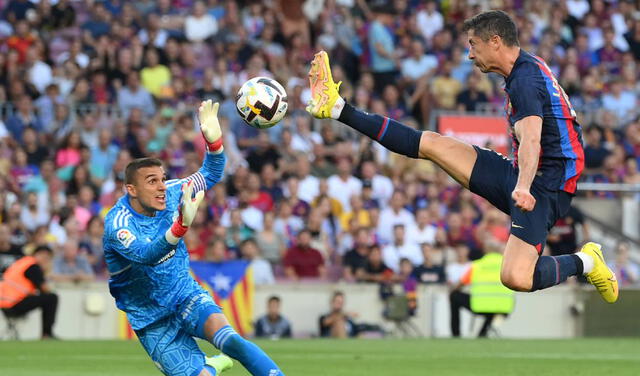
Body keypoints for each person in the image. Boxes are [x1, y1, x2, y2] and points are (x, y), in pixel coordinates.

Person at [305, 10, 618, 304]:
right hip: (522, 175)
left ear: (495, 41)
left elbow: (532, 139)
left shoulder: (525, 80)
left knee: (516, 277)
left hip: (543, 188)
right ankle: (338, 108)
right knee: (431, 144)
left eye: (474, 44)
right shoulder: (525, 68)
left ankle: (587, 261)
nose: (470, 54)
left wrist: (523, 187)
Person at [103, 100, 284, 376]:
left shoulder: (175, 191)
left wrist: (214, 142)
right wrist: (180, 226)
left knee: (231, 340)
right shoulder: (118, 225)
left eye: (162, 178)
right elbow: (146, 255)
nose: (162, 187)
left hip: (184, 294)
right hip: (151, 319)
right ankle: (211, 365)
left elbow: (211, 173)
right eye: (152, 181)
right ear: (132, 190)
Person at [449, 239, 514, 338]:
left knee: (454, 296)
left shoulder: (477, 265)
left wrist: (453, 289)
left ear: (485, 250)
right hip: (503, 308)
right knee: (492, 310)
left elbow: (460, 283)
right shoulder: (507, 265)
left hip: (480, 306)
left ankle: (456, 334)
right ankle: (482, 334)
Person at [0, 246, 58, 339]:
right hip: (14, 303)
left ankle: (46, 334)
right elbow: (45, 289)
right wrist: (47, 272)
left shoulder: (23, 262)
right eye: (45, 257)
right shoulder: (33, 266)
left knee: (47, 298)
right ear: (37, 255)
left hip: (4, 303)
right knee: (51, 298)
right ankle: (47, 334)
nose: (46, 260)